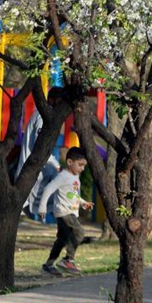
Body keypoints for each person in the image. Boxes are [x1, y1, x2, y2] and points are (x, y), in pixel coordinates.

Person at [38, 147, 94, 276]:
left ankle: (48, 265)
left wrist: (83, 202)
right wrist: (42, 207)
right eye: (80, 165)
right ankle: (68, 260)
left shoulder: (74, 177)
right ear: (69, 162)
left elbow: (72, 195)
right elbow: (48, 189)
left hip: (69, 212)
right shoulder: (63, 176)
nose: (82, 168)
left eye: (84, 165)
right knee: (79, 232)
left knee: (62, 240)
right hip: (64, 212)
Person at [17, 87, 65, 217]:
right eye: (60, 101)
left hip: (37, 167)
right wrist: (55, 164)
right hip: (33, 168)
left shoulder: (47, 116)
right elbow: (39, 145)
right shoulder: (42, 116)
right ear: (51, 100)